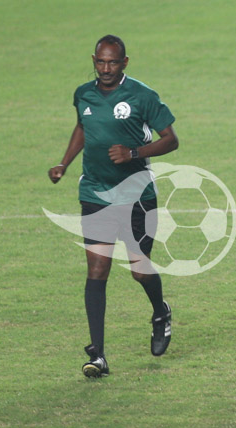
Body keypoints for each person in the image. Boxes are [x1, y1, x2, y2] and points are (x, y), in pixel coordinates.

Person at [48, 35, 179, 378]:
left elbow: (171, 139)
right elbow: (82, 127)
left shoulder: (142, 96)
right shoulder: (83, 94)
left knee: (138, 269)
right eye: (100, 62)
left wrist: (133, 153)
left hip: (137, 195)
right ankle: (99, 355)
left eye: (113, 63)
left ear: (125, 62)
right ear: (94, 60)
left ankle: (161, 312)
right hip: (95, 193)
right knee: (96, 270)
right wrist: (63, 163)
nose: (106, 69)